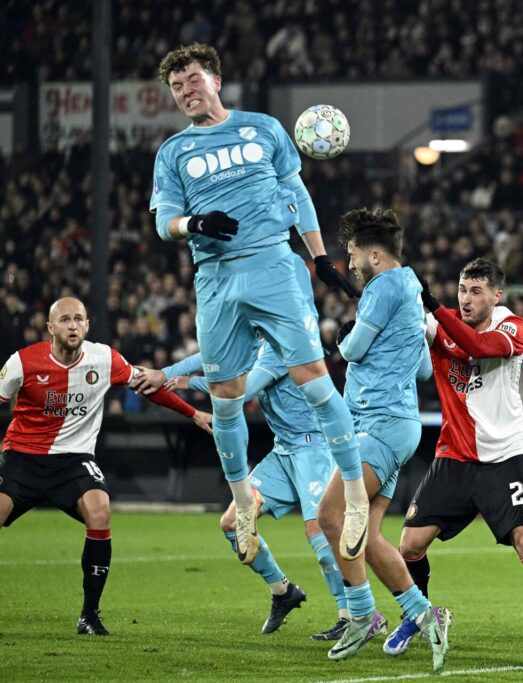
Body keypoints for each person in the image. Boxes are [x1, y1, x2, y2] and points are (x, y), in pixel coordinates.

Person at [148, 43, 366, 567]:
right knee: (225, 395)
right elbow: (164, 223)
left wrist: (319, 258)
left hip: (272, 264)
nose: (186, 92)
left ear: (216, 81)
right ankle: (243, 500)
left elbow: (297, 195)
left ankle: (355, 495)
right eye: (177, 87)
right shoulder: (173, 152)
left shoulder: (264, 128)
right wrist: (194, 224)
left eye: (193, 80)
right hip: (215, 277)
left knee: (313, 376)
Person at [157, 253, 382, 640]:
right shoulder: (257, 334)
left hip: (315, 446)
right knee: (231, 523)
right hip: (284, 450)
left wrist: (186, 383)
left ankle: (354, 616)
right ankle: (282, 591)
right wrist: (168, 373)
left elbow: (243, 390)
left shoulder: (286, 337)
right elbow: (214, 357)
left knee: (320, 530)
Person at [393, 258, 523, 672]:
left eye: (476, 291)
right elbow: (407, 339)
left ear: (497, 295)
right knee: (409, 547)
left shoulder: (513, 326)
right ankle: (420, 616)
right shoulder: (440, 324)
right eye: (462, 290)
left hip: (506, 457)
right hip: (454, 456)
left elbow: (479, 348)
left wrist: (435, 308)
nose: (467, 299)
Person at [0, 297, 212, 636]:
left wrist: (194, 413)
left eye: (79, 319)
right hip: (23, 457)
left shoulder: (104, 358)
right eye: (65, 319)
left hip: (75, 459)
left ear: (87, 325)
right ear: (50, 328)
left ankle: (89, 616)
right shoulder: (22, 362)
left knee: (100, 511)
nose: (73, 325)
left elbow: (149, 387)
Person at [315, 208, 451, 672]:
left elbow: (352, 349)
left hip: (378, 422)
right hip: (397, 423)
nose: (350, 265)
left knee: (331, 516)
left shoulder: (384, 287)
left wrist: (342, 336)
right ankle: (424, 615)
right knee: (369, 537)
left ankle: (360, 615)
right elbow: (423, 369)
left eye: (353, 255)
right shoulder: (412, 290)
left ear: (374, 254)